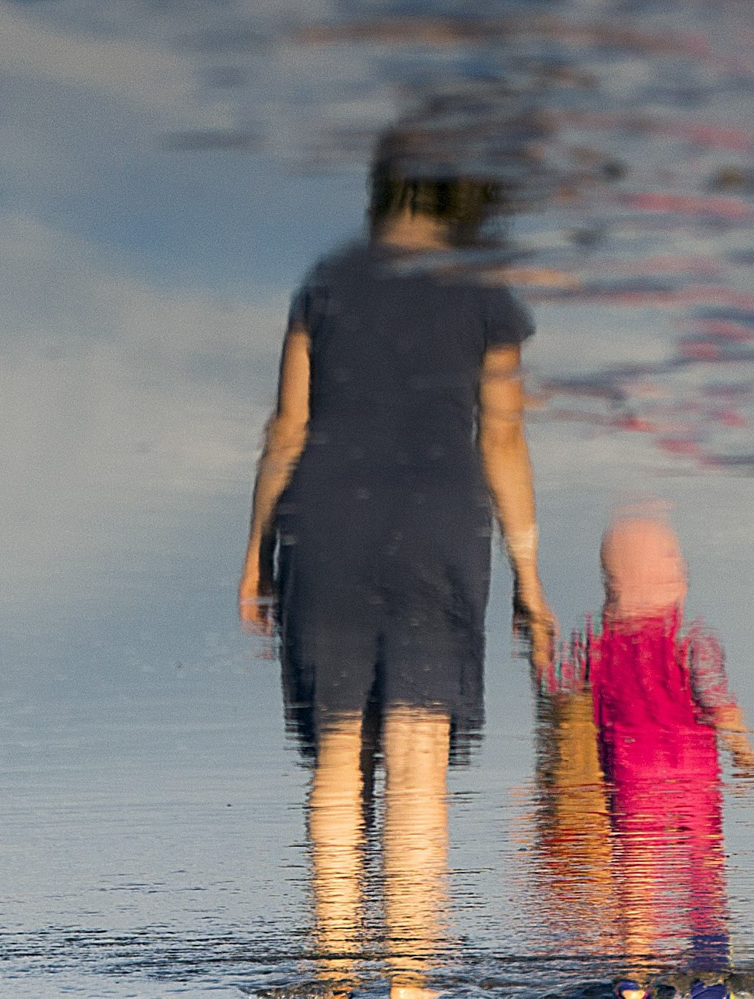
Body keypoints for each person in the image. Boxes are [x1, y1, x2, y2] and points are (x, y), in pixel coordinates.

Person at [238, 137, 555, 998]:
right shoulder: (483, 294)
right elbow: (502, 437)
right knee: (418, 752)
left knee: (338, 751)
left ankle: (334, 968)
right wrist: (528, 576)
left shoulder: (326, 282)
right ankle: (411, 982)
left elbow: (286, 429)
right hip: (437, 527)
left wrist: (254, 553)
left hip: (326, 526)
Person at [558, 505, 754, 999]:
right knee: (702, 867)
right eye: (673, 558)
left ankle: (634, 977)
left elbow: (559, 681)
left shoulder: (596, 636)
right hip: (694, 775)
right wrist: (743, 745)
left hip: (632, 774)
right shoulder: (692, 637)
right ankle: (709, 970)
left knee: (638, 874)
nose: (682, 567)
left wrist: (540, 645)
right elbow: (716, 700)